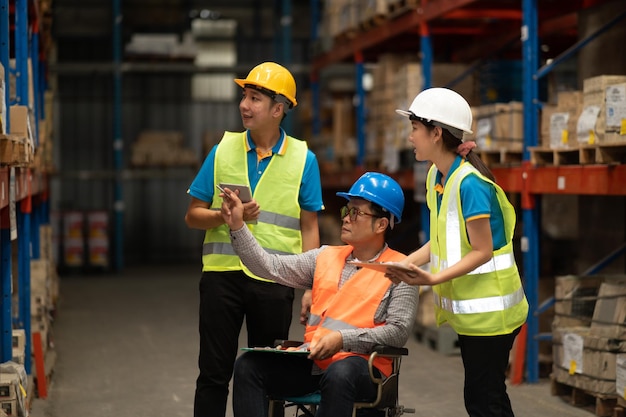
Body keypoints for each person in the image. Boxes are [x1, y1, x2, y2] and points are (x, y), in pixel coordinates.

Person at [184, 61, 324, 417]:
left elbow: (310, 226)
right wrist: (225, 217)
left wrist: (312, 285)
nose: (245, 105)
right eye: (245, 96)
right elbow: (192, 215)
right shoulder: (222, 151)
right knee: (213, 373)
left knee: (268, 376)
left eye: (255, 98)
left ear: (279, 109)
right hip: (222, 278)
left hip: (275, 280)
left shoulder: (303, 159)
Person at [219, 172, 419, 417]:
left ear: (381, 224)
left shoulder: (402, 270)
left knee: (341, 373)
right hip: (316, 363)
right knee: (249, 367)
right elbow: (269, 267)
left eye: (356, 213)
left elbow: (397, 332)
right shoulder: (324, 257)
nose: (346, 218)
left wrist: (342, 340)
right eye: (347, 211)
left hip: (365, 369)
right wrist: (238, 226)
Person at [386, 87, 529, 417]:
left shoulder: (471, 184)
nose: (410, 138)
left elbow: (481, 251)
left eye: (414, 129)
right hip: (474, 317)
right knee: (483, 397)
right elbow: (441, 241)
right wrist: (401, 264)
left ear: (436, 133)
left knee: (485, 399)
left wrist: (432, 278)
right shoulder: (438, 176)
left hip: (493, 316)